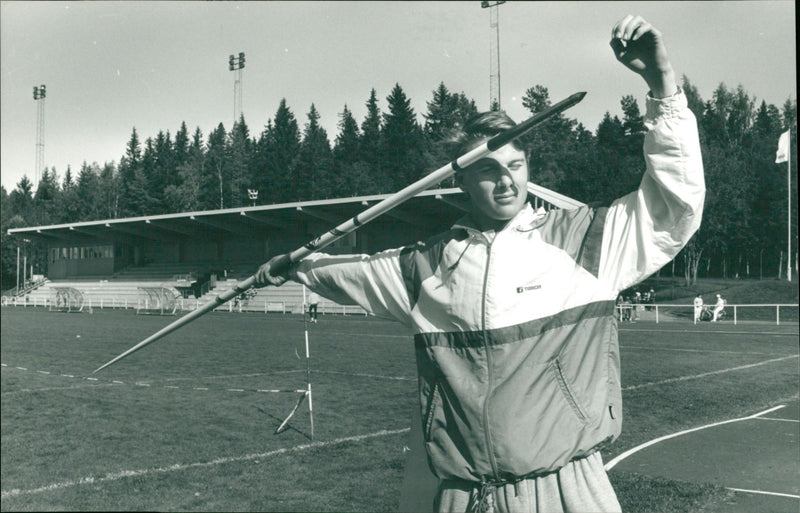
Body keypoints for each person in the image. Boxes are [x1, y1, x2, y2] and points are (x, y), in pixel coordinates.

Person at [256, 15, 704, 512]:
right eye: (488, 170)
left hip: (566, 489)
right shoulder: (426, 264)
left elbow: (673, 206)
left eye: (516, 165)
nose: (507, 181)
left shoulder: (585, 240)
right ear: (462, 183)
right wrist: (297, 266)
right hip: (462, 496)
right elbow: (354, 272)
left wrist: (663, 87)